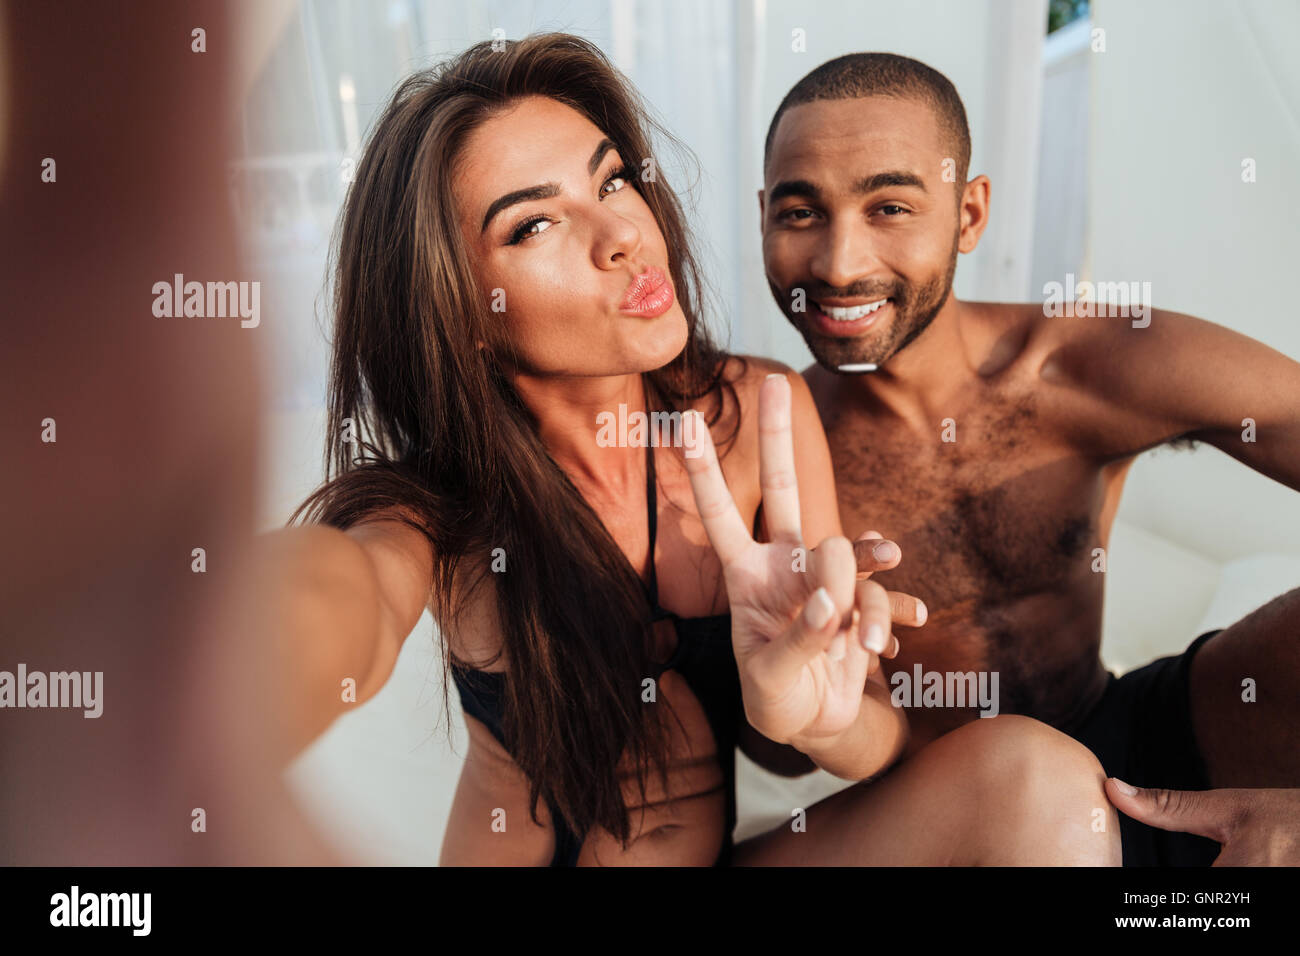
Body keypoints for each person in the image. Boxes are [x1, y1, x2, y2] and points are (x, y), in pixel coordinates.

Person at [274, 33, 1119, 866]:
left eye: (612, 180)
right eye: (535, 225)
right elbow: (352, 601)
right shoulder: (431, 504)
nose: (622, 236)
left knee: (1037, 782)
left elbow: (862, 743)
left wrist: (814, 714)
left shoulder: (761, 413)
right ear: (459, 313)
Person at [758, 52, 1300, 865]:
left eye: (890, 206)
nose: (840, 265)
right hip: (949, 801)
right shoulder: (769, 442)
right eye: (801, 214)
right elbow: (777, 748)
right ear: (762, 216)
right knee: (1025, 780)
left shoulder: (1087, 366)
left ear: (969, 214)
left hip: (1122, 730)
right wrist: (795, 712)